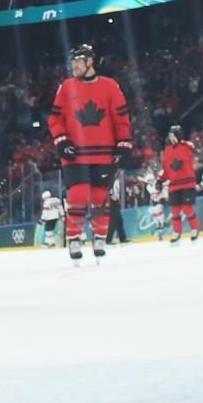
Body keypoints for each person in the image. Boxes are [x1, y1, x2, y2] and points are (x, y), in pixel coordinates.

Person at [47, 43, 133, 262]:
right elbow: (55, 119)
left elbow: (121, 118)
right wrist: (61, 140)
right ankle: (74, 238)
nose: (74, 67)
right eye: (73, 63)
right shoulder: (66, 87)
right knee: (77, 194)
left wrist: (124, 143)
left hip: (104, 152)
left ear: (89, 62)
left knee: (99, 197)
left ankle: (100, 238)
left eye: (77, 62)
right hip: (75, 153)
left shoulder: (110, 86)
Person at [155, 124, 201, 241]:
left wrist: (181, 142)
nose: (171, 138)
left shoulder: (186, 146)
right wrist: (160, 180)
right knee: (175, 211)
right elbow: (166, 169)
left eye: (174, 135)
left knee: (187, 208)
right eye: (170, 135)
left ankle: (195, 229)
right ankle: (176, 232)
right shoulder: (167, 150)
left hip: (187, 183)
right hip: (174, 184)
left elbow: (191, 148)